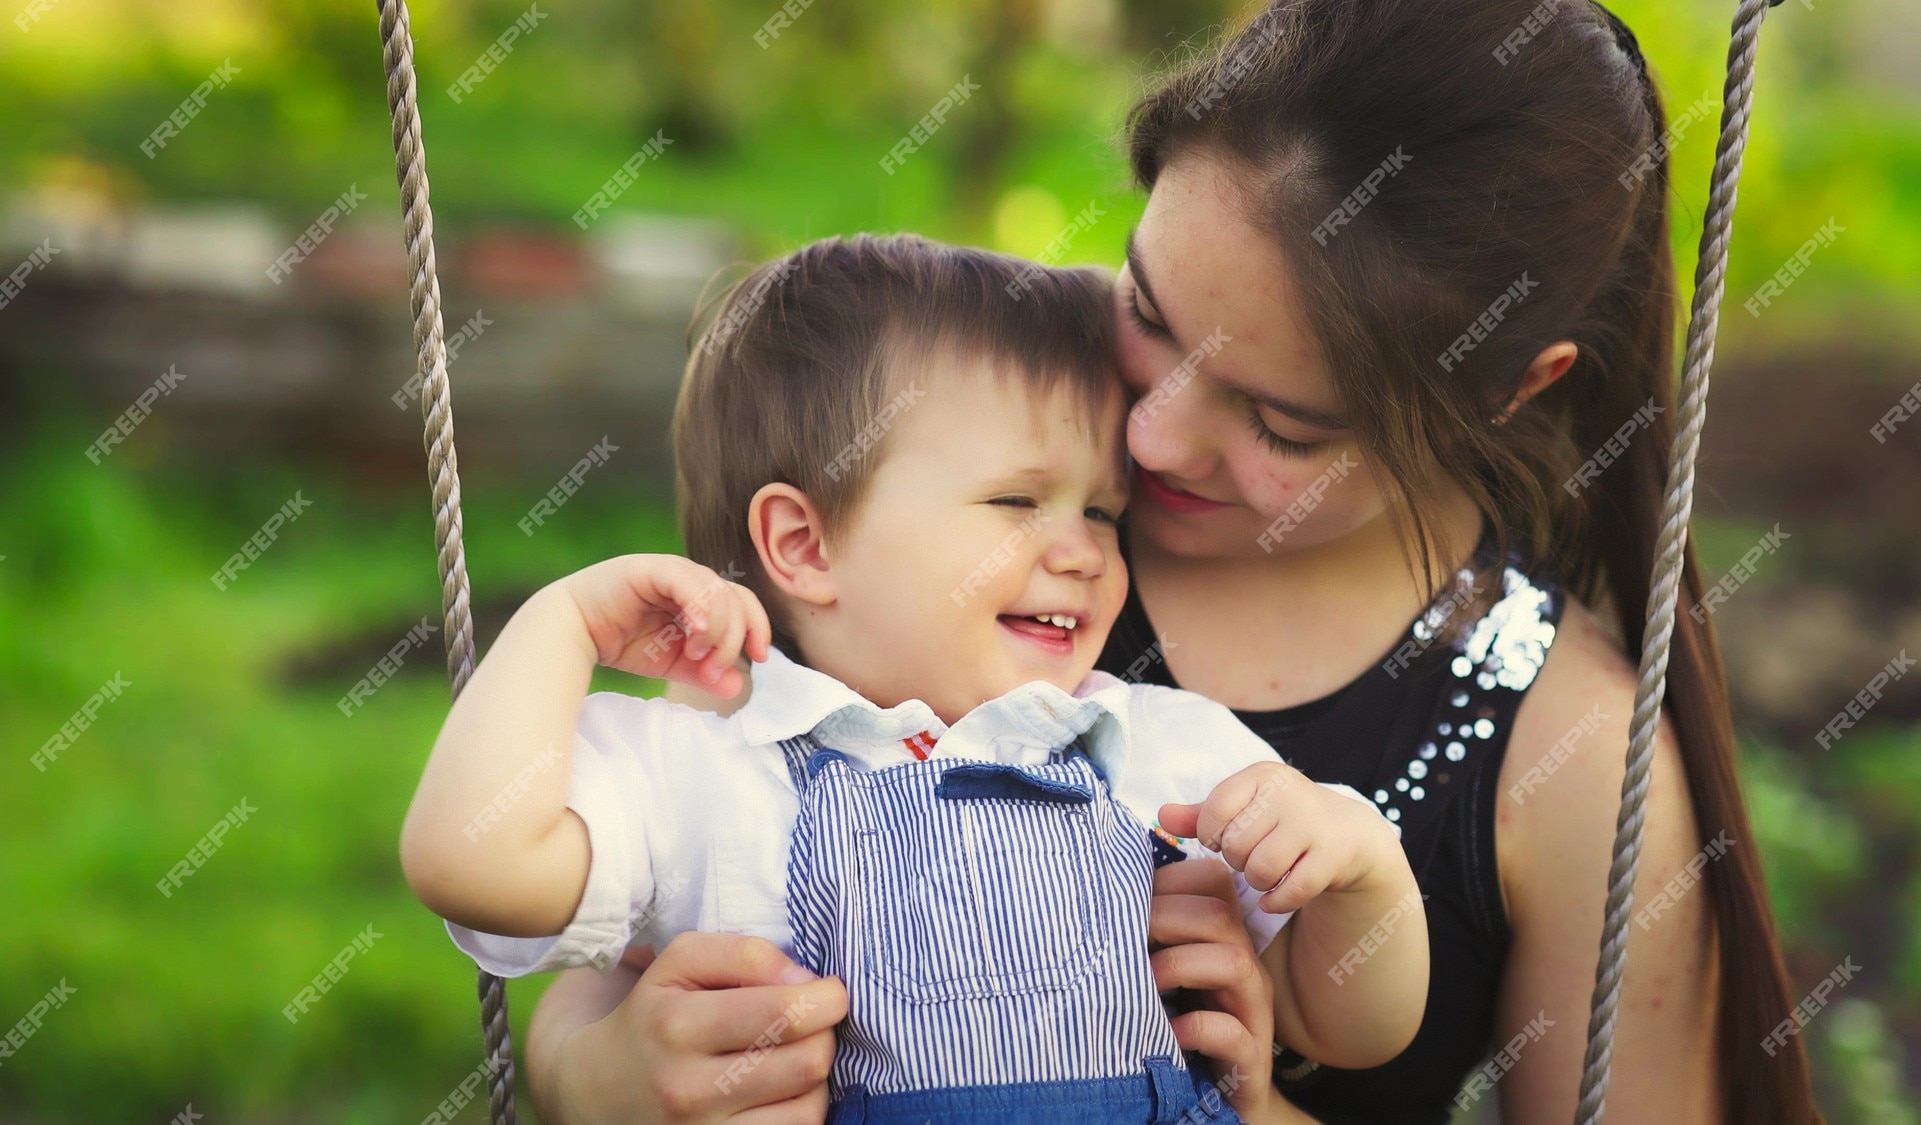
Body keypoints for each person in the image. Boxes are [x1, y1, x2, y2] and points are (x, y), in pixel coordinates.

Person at [522, 0, 1823, 1120]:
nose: (1147, 435)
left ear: (1504, 389)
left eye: (1283, 421)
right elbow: (696, 820)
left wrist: (1230, 1100)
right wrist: (595, 1067)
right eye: (1147, 306)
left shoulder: (1574, 747)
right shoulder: (991, 442)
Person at [400, 233, 1431, 1124]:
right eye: (1017, 501)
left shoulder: (1159, 747)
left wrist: (1362, 872)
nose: (1081, 552)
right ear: (803, 547)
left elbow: (1344, 1027)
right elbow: (474, 865)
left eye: (1101, 512)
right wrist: (559, 624)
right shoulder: (711, 772)